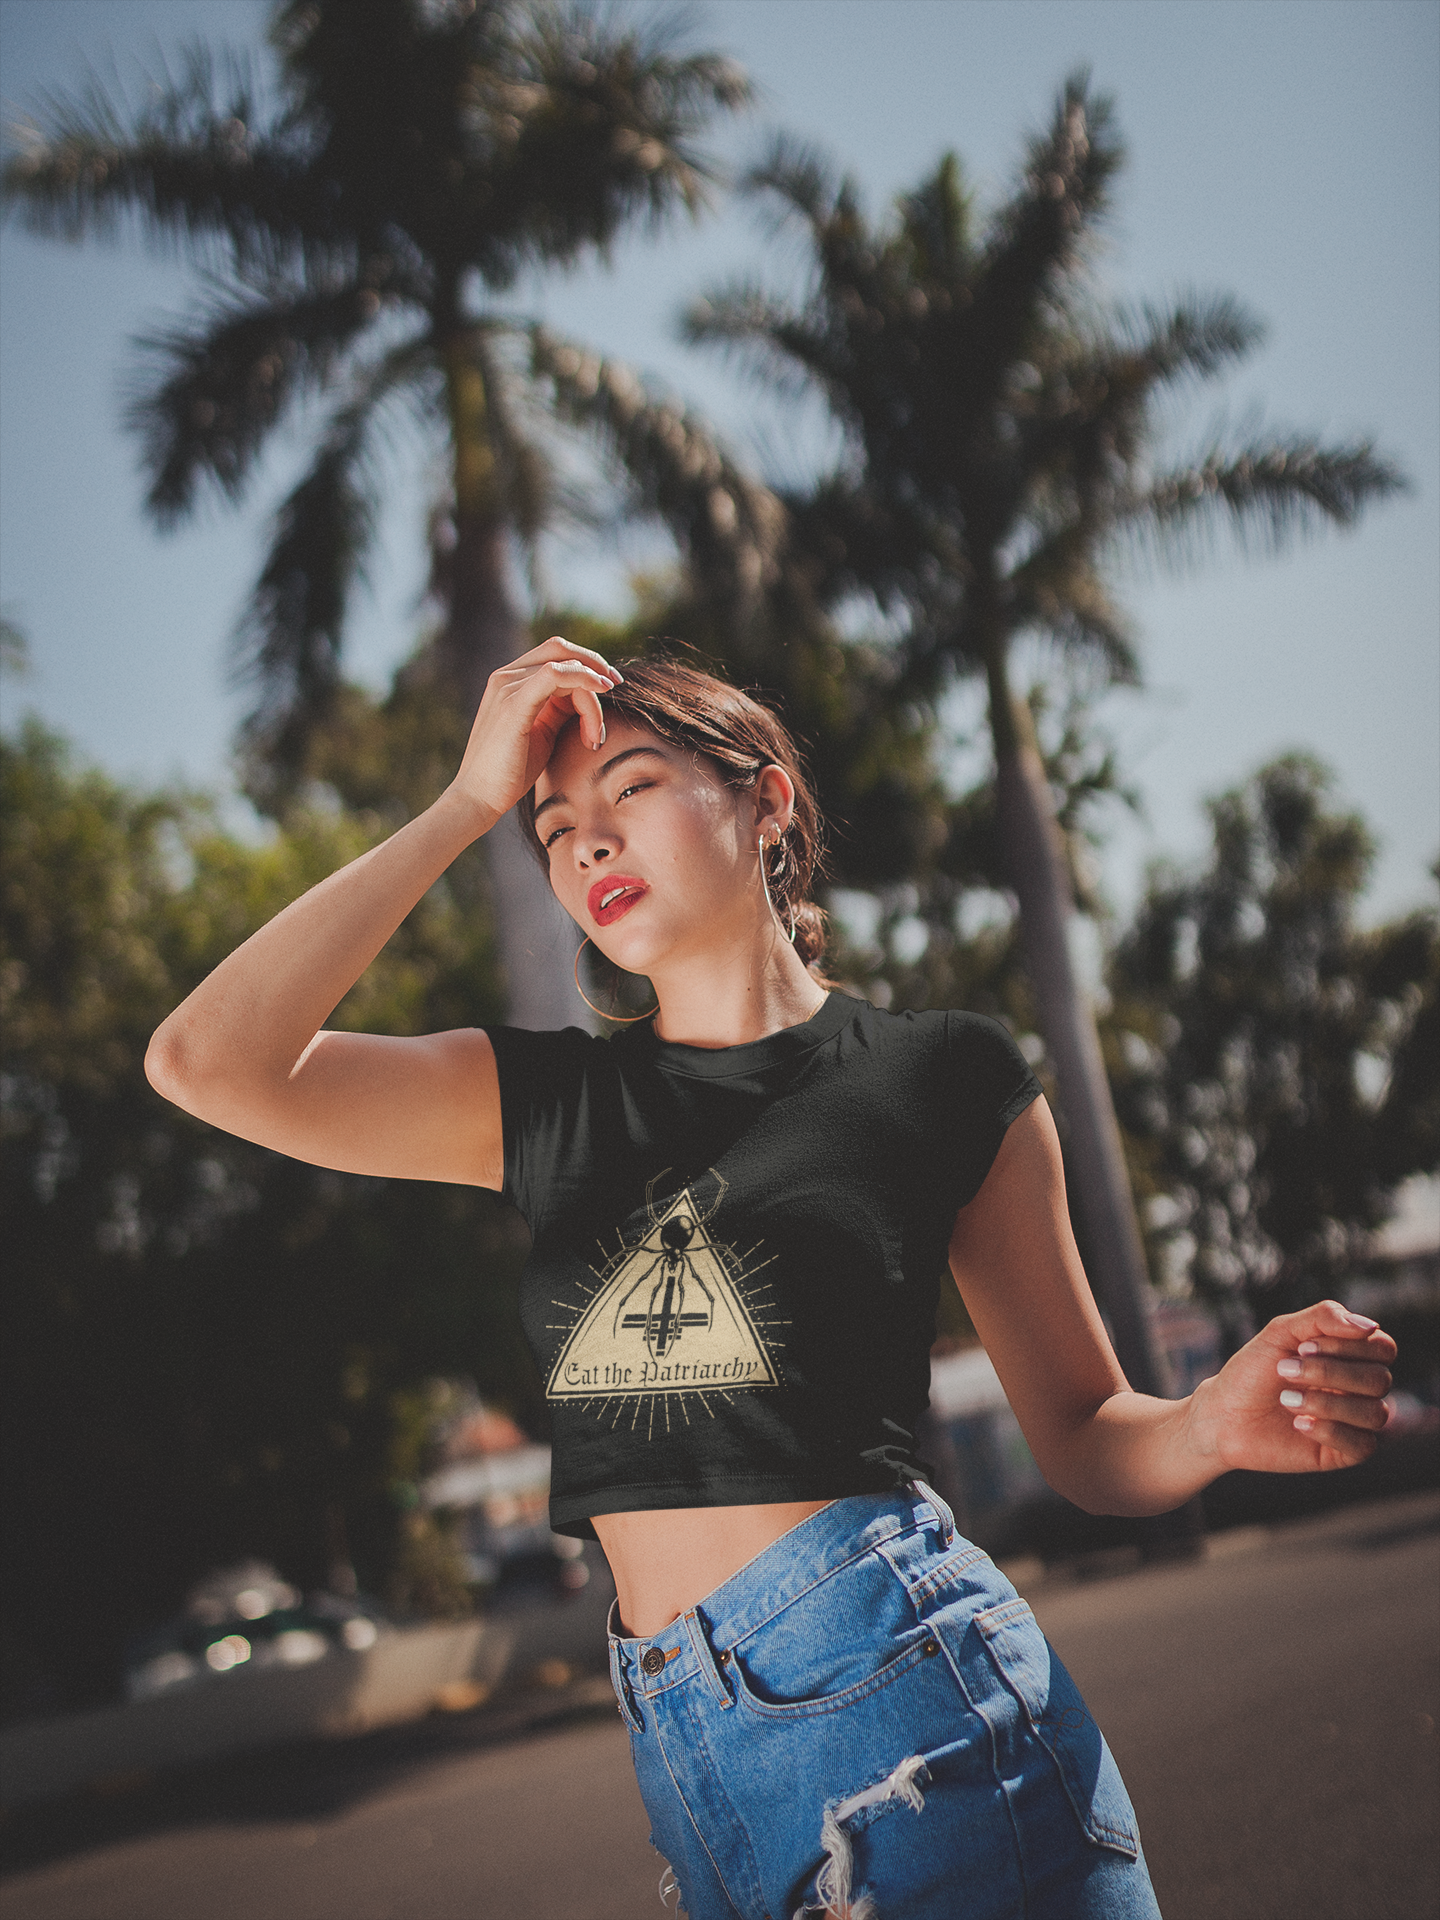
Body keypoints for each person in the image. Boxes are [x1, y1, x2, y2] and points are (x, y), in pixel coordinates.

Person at [146, 636, 1396, 1920]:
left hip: (909, 1704)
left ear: (765, 800)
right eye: (554, 824)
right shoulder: (547, 1107)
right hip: (688, 1757)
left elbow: (1081, 1433)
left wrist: (1207, 1423)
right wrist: (464, 803)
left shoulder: (939, 1077)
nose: (586, 843)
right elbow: (204, 1063)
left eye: (630, 789)